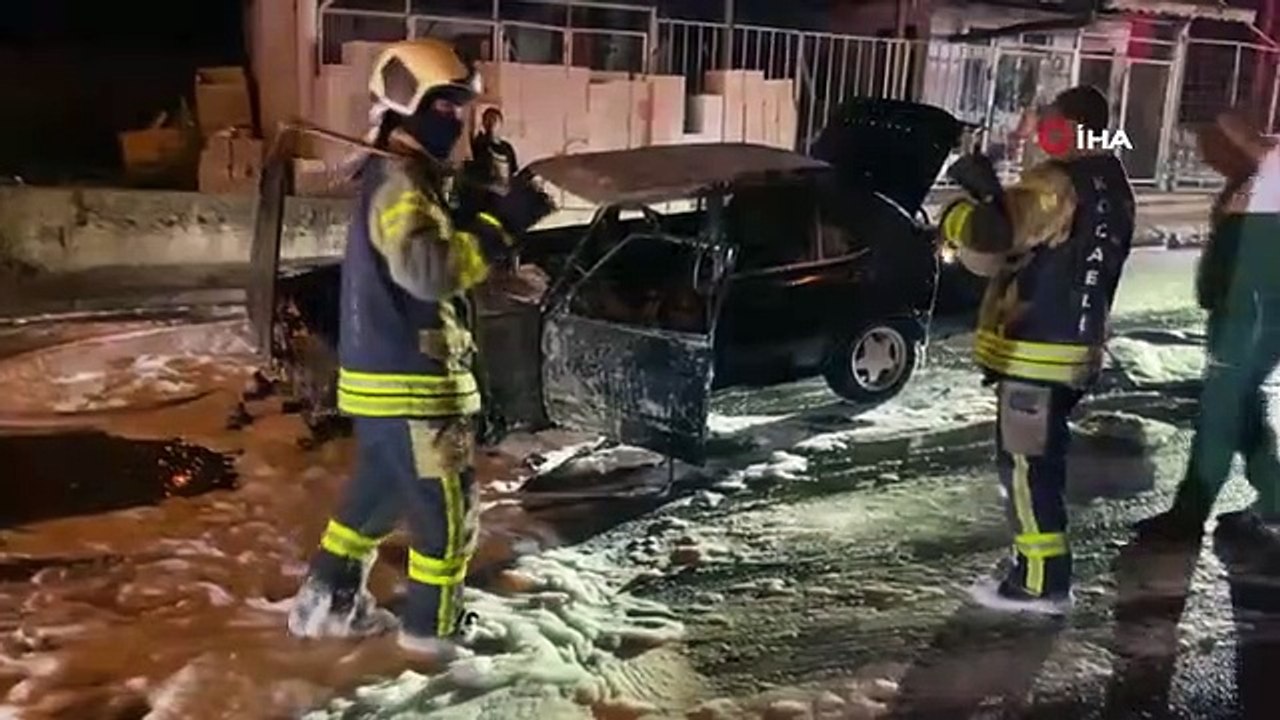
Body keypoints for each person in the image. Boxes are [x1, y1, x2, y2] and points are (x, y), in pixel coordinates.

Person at [286, 38, 555, 655]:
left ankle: (326, 604)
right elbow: (429, 273)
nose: (456, 118)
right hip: (418, 387)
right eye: (443, 105)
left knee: (374, 501)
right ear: (404, 105)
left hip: (384, 384)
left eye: (460, 105)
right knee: (448, 516)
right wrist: (502, 226)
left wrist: (478, 209)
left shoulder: (400, 176)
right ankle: (434, 633)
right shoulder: (402, 182)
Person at [939, 85, 1136, 615]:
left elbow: (991, 235)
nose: (1039, 128)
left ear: (1070, 126)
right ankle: (1039, 570)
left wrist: (959, 211)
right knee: (1041, 463)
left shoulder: (1056, 183)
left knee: (1026, 467)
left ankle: (1039, 582)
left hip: (1035, 352)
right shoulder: (1113, 180)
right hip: (1075, 348)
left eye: (1048, 119)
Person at [1136, 110, 1280, 547]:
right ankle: (1275, 497)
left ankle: (1189, 515)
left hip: (1252, 318)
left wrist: (1226, 119)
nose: (1205, 158)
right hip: (1239, 315)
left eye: (1212, 147)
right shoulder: (1253, 183)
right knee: (1243, 407)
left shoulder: (1271, 178)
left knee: (1220, 410)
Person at [469, 107, 519, 189]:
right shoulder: (480, 144)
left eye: (495, 120)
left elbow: (514, 171)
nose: (492, 123)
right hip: (485, 190)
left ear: (501, 123)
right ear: (484, 123)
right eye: (489, 120)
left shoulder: (507, 147)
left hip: (504, 189)